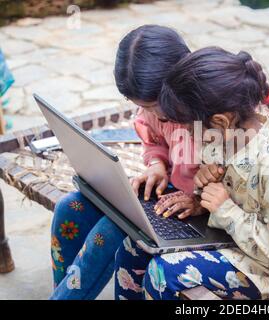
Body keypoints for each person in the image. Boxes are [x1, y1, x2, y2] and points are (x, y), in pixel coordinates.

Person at [114, 47, 269, 300]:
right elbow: (226, 191)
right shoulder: (219, 136)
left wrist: (225, 209)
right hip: (229, 236)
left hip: (265, 266)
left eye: (187, 127)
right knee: (133, 246)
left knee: (164, 272)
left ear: (220, 121)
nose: (185, 134)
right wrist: (202, 195)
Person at [50, 25, 200, 299]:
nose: (152, 114)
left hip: (203, 216)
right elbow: (153, 138)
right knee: (69, 208)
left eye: (156, 107)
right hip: (167, 198)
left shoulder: (213, 115)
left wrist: (199, 201)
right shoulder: (155, 109)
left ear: (181, 80)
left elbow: (239, 180)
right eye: (143, 106)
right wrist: (156, 163)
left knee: (111, 230)